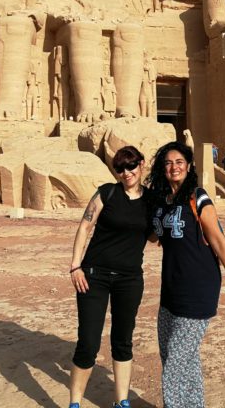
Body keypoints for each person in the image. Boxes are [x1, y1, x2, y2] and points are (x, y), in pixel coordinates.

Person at [146, 141, 225, 407]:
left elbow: (217, 239)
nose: (174, 167)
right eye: (168, 163)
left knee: (175, 363)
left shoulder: (198, 196)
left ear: (189, 166)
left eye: (179, 162)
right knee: (179, 356)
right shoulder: (160, 201)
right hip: (171, 288)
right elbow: (153, 236)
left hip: (198, 287)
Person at [68, 146, 151, 408]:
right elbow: (85, 226)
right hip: (94, 276)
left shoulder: (151, 201)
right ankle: (75, 403)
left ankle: (122, 401)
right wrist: (75, 266)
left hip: (129, 279)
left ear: (141, 164)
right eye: (120, 168)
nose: (126, 172)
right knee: (88, 342)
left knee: (123, 341)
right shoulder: (107, 192)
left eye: (131, 166)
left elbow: (154, 235)